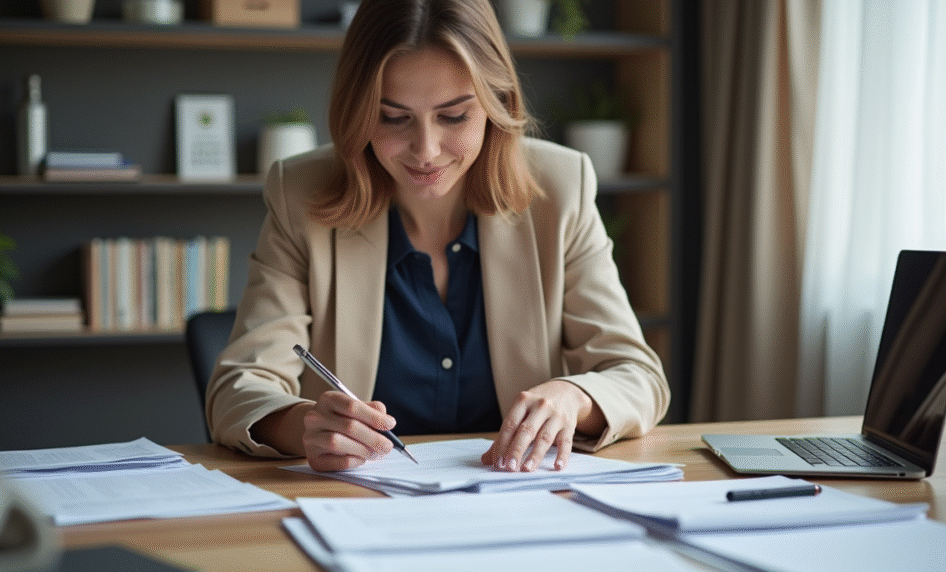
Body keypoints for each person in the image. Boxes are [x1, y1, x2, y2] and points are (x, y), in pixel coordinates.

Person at [205, 0, 669, 473]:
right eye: (392, 117)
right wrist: (306, 425)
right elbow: (237, 387)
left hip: (518, 498)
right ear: (357, 112)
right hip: (356, 504)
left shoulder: (560, 187)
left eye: (453, 117)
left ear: (495, 105)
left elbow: (638, 376)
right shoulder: (301, 193)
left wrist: (574, 397)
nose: (425, 151)